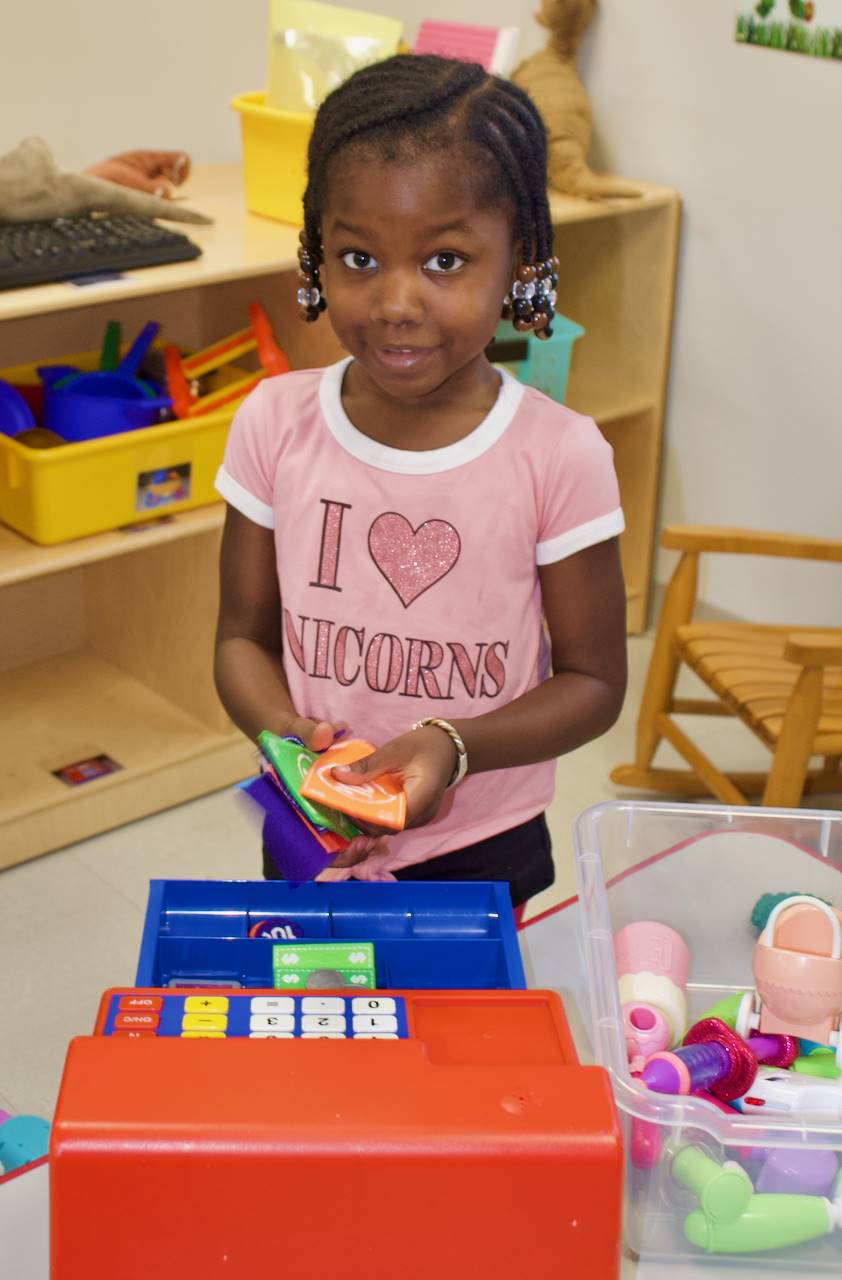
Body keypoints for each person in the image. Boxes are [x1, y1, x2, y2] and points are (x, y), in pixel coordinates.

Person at [214, 54, 627, 920]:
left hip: (481, 843)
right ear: (314, 252)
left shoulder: (560, 454)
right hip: (311, 822)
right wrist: (290, 744)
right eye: (358, 256)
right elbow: (240, 641)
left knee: (466, 1048)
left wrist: (454, 746)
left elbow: (592, 680)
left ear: (519, 262)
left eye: (445, 260)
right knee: (317, 1030)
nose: (397, 302)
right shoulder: (272, 422)